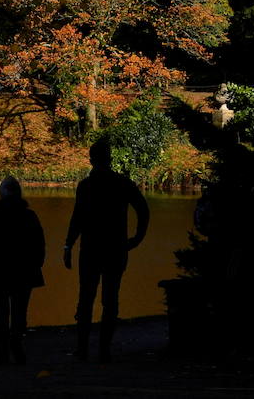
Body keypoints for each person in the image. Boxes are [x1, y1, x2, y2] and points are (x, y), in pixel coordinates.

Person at [63, 137, 149, 362]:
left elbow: (77, 218)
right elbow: (143, 210)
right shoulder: (122, 183)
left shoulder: (86, 186)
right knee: (110, 299)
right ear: (110, 159)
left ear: (91, 160)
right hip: (115, 249)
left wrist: (68, 245)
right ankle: (104, 350)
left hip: (91, 250)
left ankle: (83, 350)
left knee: (86, 298)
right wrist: (137, 237)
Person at [0, 175, 45, 365]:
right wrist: (37, 265)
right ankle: (16, 342)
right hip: (24, 272)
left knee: (1, 312)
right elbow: (40, 245)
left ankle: (3, 349)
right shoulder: (29, 216)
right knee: (20, 312)